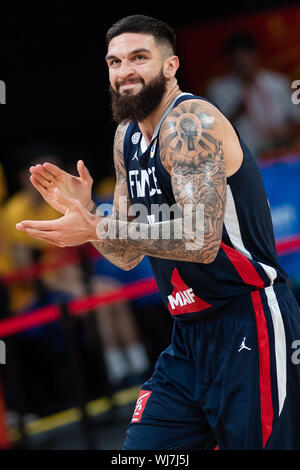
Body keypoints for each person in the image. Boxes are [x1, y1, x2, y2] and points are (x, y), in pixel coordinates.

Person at [15, 15, 300, 450]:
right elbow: (127, 253)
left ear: (171, 66)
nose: (123, 70)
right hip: (187, 335)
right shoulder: (125, 136)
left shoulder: (191, 122)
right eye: (114, 61)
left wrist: (97, 225)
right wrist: (90, 214)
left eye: (138, 57)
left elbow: (201, 241)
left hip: (247, 318)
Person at [207, 31, 300, 159]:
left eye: (247, 54)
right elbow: (213, 131)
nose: (243, 62)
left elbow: (294, 118)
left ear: (256, 55)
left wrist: (286, 134)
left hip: (283, 154)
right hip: (246, 159)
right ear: (229, 60)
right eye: (237, 57)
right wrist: (237, 110)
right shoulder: (219, 89)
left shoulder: (278, 82)